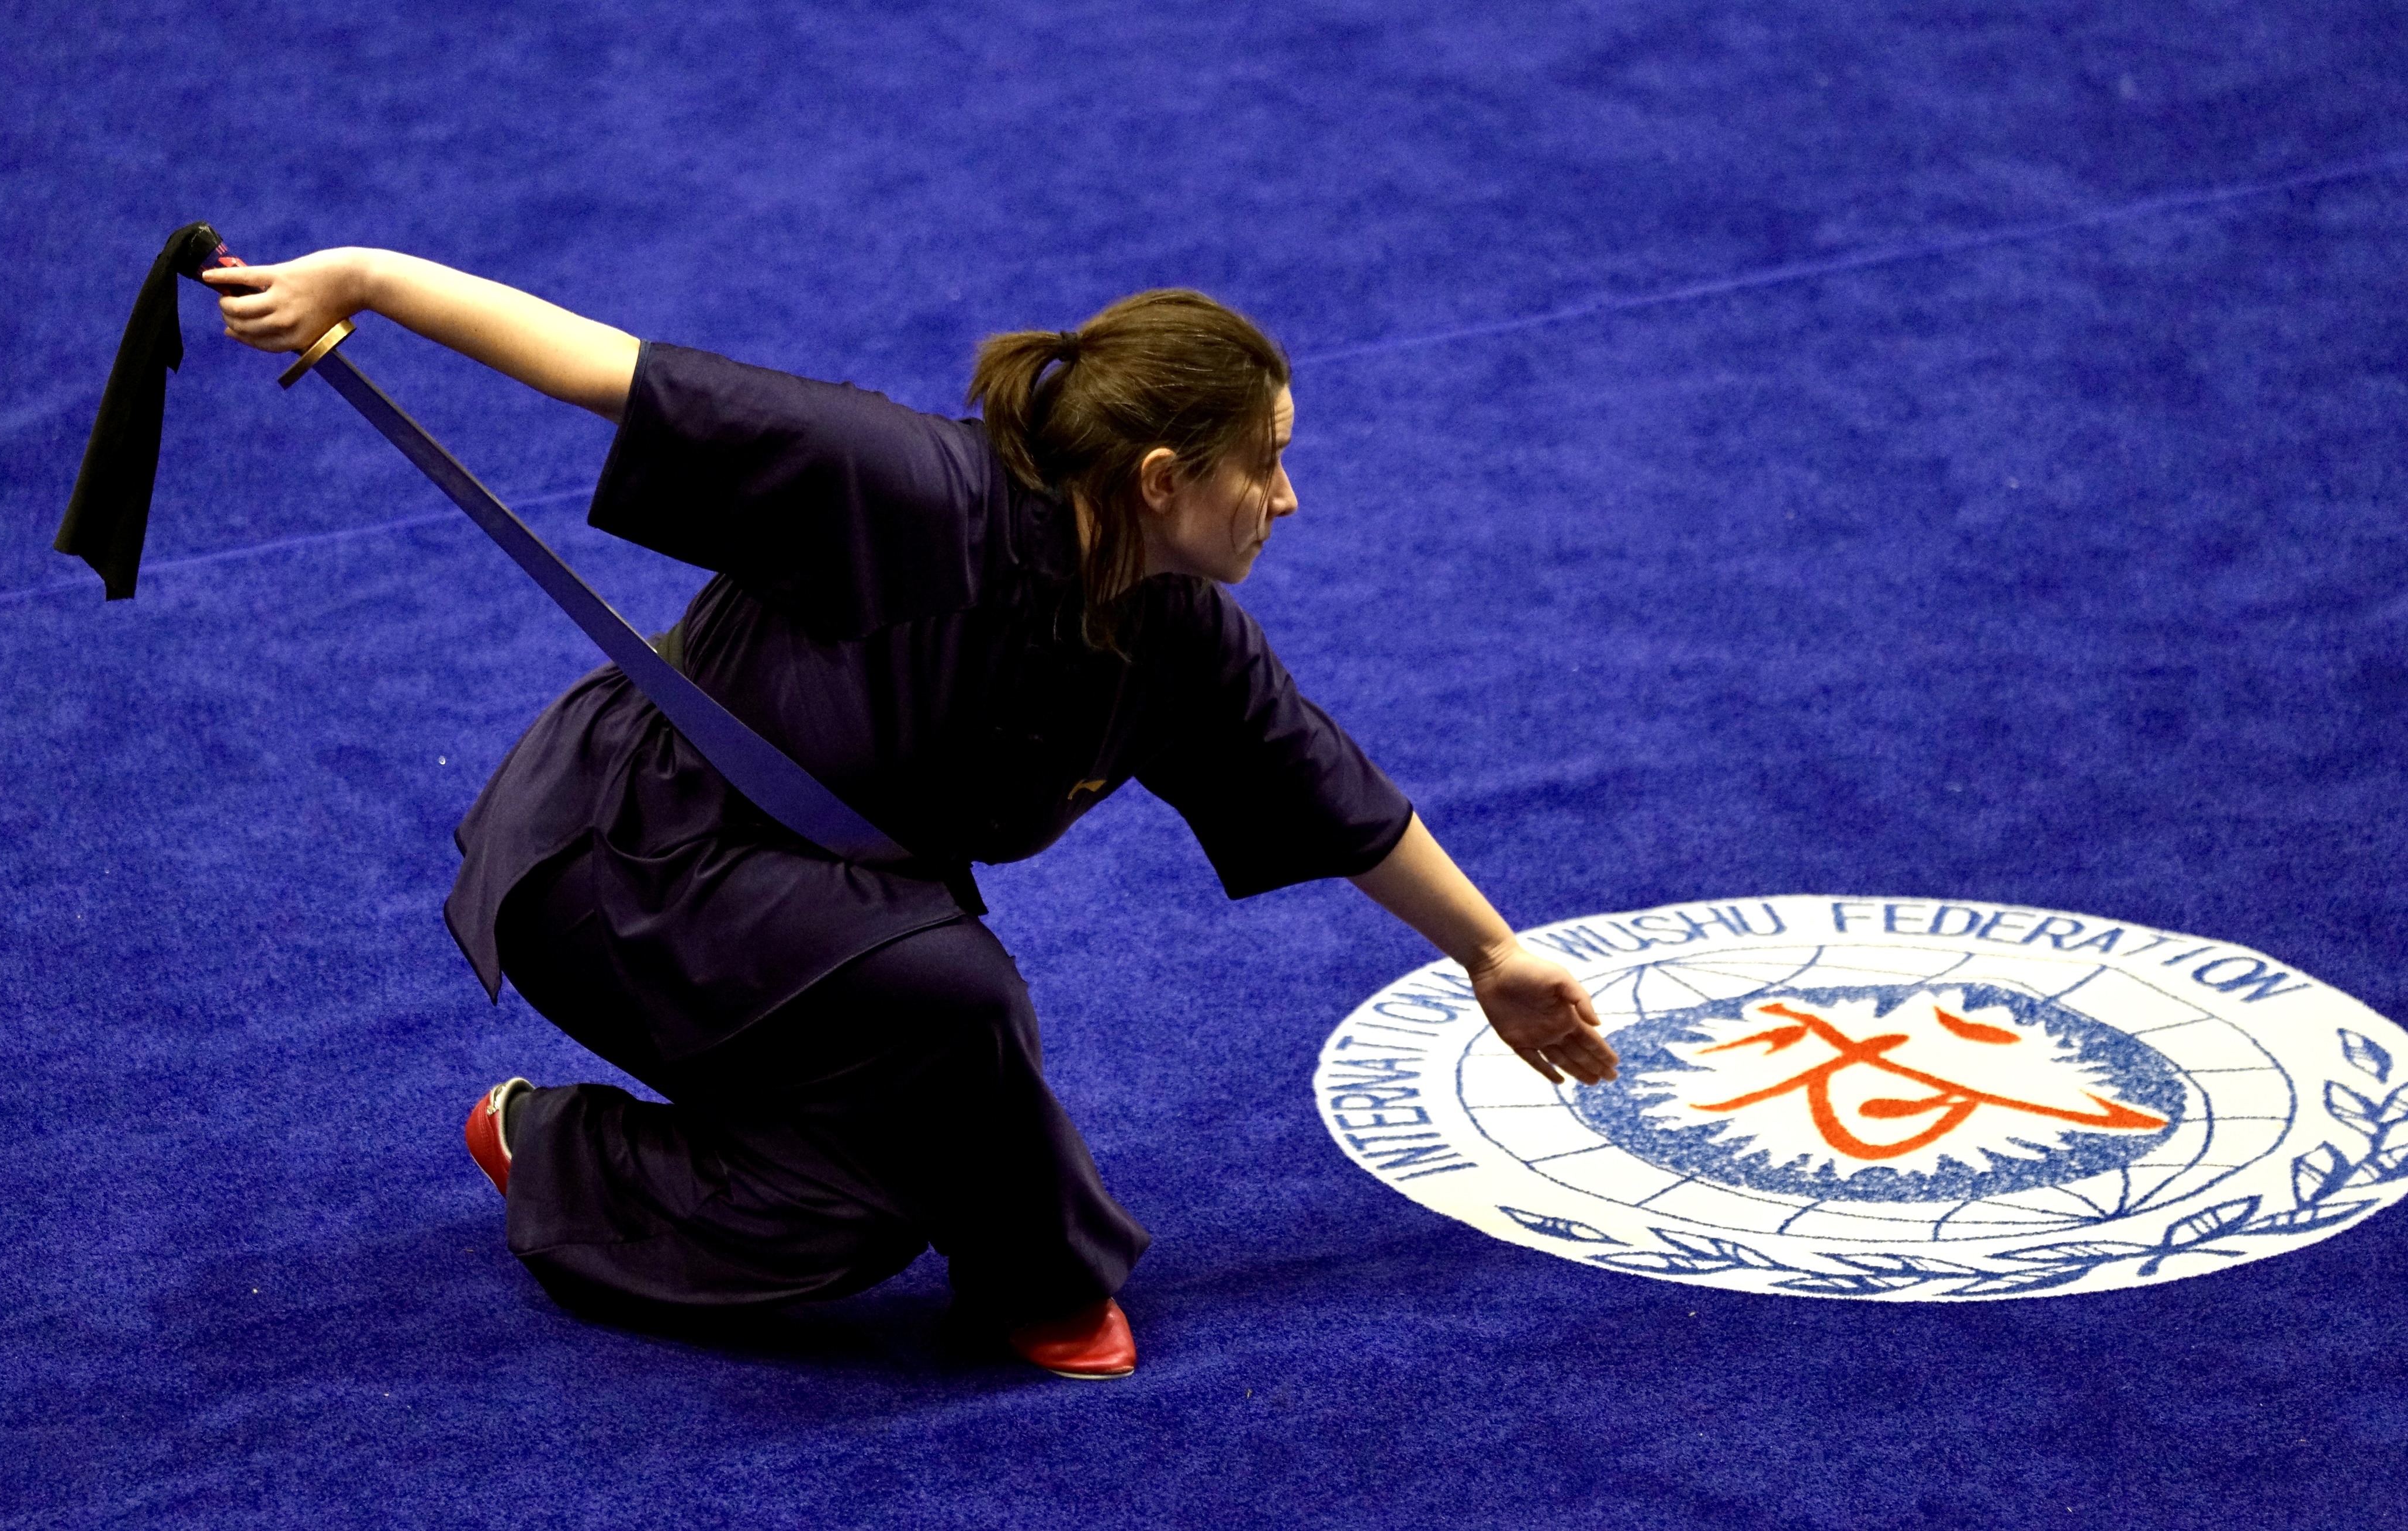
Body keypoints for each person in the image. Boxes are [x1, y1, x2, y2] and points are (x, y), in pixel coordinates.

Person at [202, 248, 1620, 1379]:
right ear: (1161, 481)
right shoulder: (899, 482)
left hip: (817, 928)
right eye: (1269, 465)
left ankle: (561, 1154)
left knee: (865, 1205)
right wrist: (369, 281)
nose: (1290, 501)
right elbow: (609, 372)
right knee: (955, 987)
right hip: (632, 860)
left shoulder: (1184, 640)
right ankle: (1043, 1282)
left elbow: (1332, 791)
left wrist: (1494, 955)